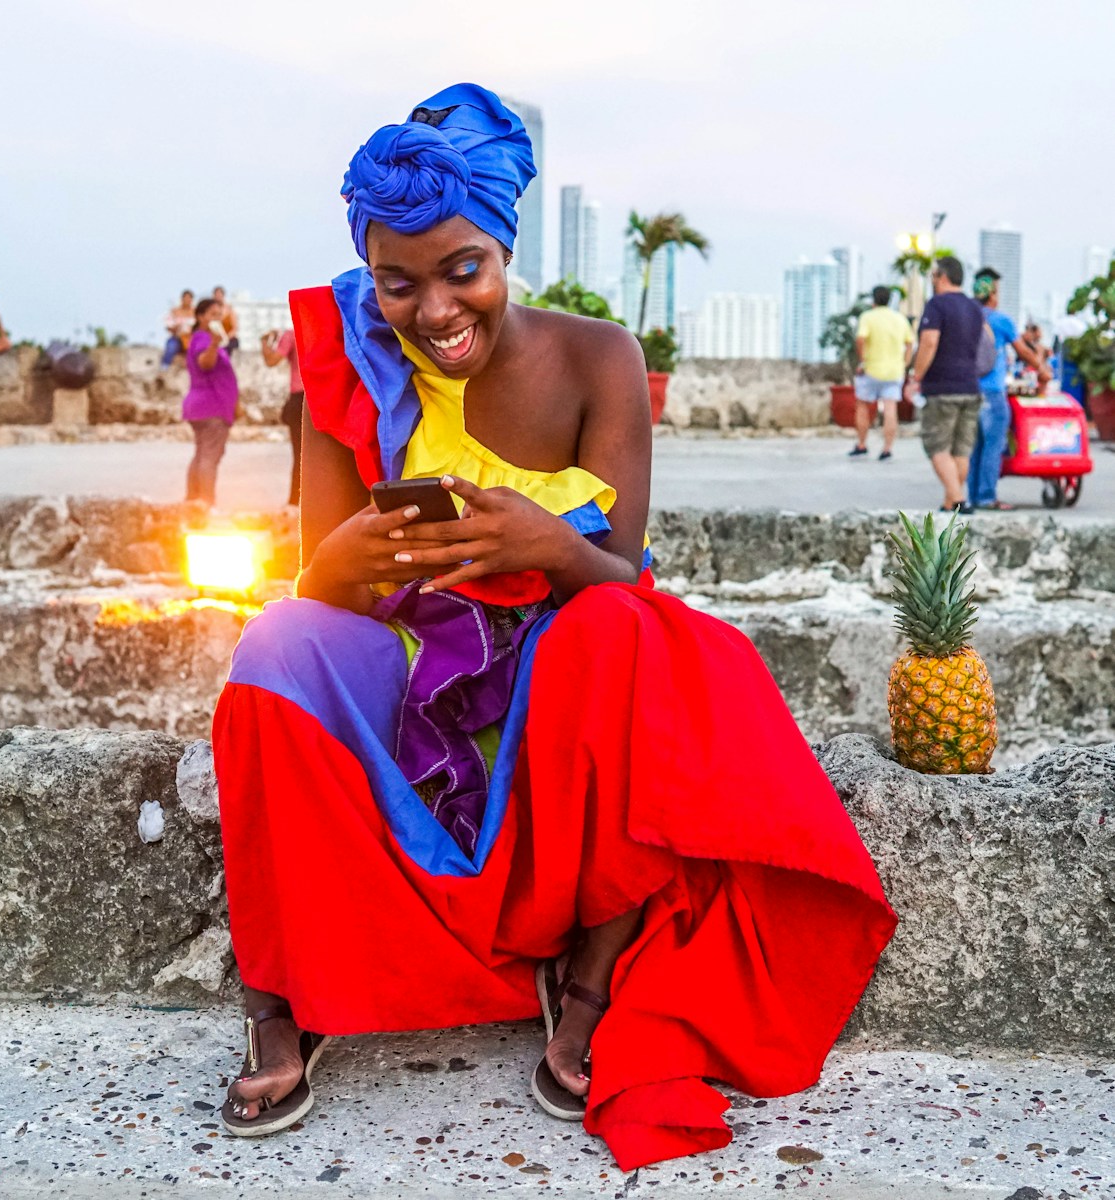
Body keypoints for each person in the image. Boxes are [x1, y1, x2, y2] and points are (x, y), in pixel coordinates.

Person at [210, 84, 895, 1171]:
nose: (433, 311)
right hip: (405, 651)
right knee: (271, 649)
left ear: (503, 250)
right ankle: (282, 995)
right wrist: (352, 557)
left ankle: (583, 983)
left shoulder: (597, 359)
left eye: (461, 270)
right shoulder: (348, 355)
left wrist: (543, 544)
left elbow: (619, 565)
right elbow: (317, 581)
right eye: (398, 282)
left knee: (618, 630)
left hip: (552, 664)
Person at [968, 269, 1053, 512]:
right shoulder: (1000, 320)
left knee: (975, 447)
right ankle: (986, 497)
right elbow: (1023, 351)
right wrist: (1042, 368)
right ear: (993, 295)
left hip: (969, 391)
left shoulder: (968, 317)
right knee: (993, 445)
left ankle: (973, 496)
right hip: (993, 392)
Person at [906, 256, 985, 513]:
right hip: (970, 387)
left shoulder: (937, 305)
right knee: (960, 450)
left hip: (941, 388)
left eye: (933, 276)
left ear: (942, 276)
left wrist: (915, 378)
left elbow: (929, 343)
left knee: (938, 447)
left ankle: (959, 500)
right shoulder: (975, 308)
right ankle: (950, 502)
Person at [183, 297, 239, 505]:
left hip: (203, 406)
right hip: (210, 406)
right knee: (209, 457)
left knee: (201, 455)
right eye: (213, 315)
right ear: (200, 317)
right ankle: (206, 502)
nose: (217, 318)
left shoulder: (202, 339)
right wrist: (215, 344)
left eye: (219, 314)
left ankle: (193, 501)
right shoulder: (204, 339)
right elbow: (205, 363)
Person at [849, 285, 913, 460]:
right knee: (890, 408)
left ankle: (862, 444)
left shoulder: (867, 317)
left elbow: (861, 339)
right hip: (894, 371)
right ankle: (887, 449)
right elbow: (909, 343)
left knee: (862, 406)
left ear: (873, 300)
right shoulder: (900, 319)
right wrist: (905, 364)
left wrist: (862, 361)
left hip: (871, 368)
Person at [260, 326, 304, 505]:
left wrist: (264, 342)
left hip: (299, 397)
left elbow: (271, 361)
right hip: (323, 397)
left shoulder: (292, 334)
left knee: (299, 456)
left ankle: (295, 501)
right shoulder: (330, 329)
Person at [161, 290, 197, 369]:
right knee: (170, 348)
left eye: (189, 298)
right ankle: (164, 369)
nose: (187, 300)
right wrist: (176, 327)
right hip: (177, 337)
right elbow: (168, 327)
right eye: (185, 298)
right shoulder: (175, 311)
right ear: (181, 299)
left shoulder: (196, 312)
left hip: (191, 338)